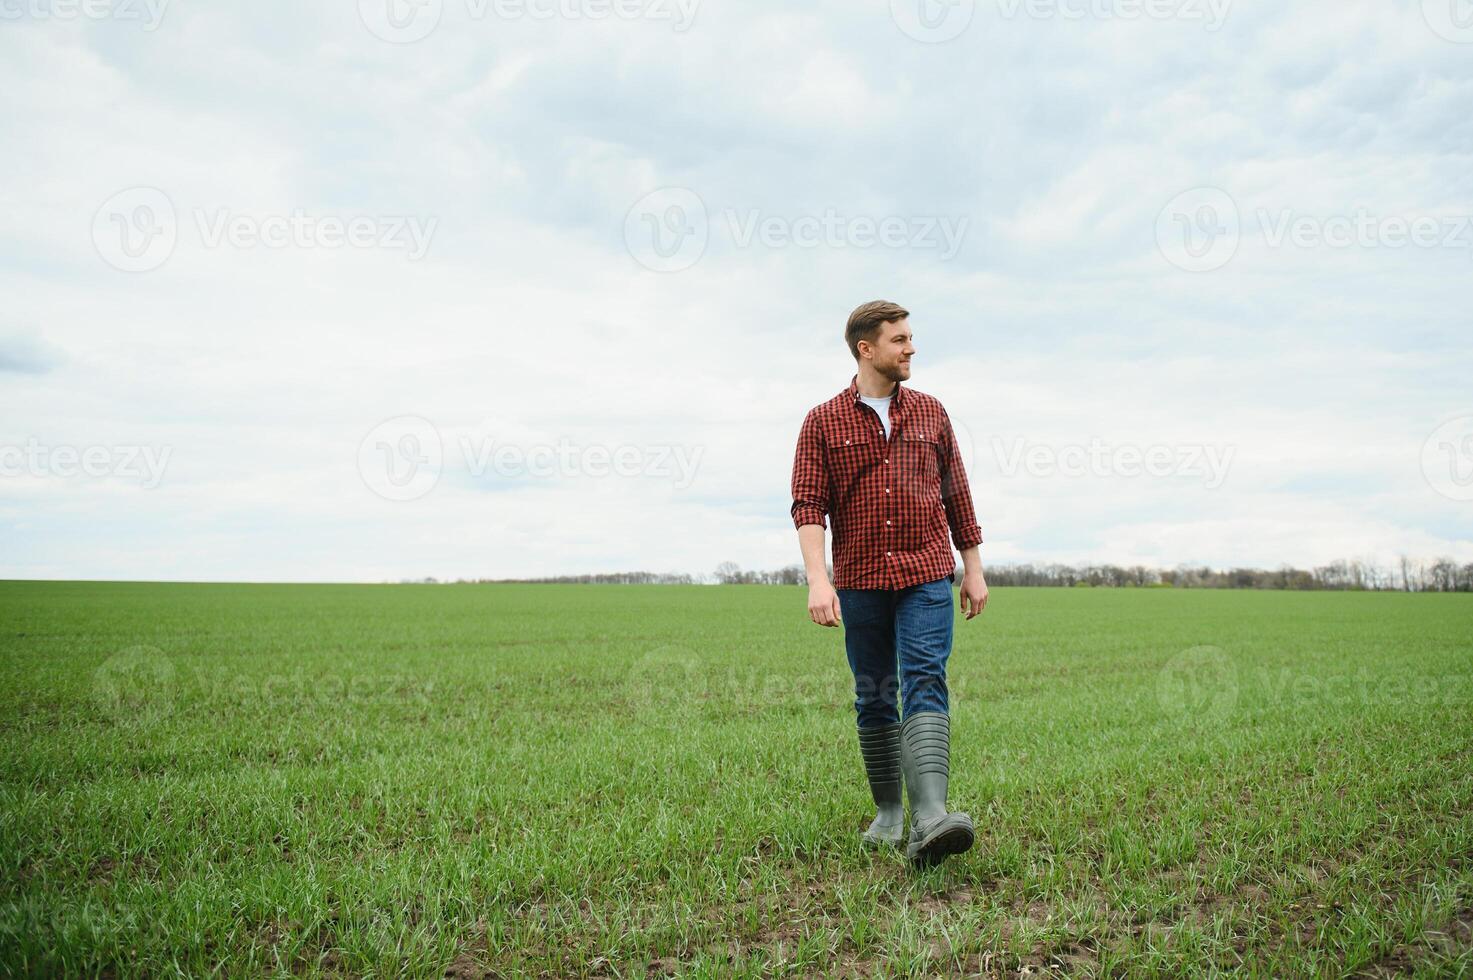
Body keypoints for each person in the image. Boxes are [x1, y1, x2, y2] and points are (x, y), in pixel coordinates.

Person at [789, 299, 989, 867]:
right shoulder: (822, 421)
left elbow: (957, 493)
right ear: (866, 348)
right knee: (874, 692)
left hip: (926, 571)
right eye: (899, 339)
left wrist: (971, 566)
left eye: (910, 337)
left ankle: (931, 816)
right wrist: (817, 580)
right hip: (860, 579)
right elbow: (809, 504)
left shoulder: (931, 412)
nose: (911, 348)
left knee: (925, 675)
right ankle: (890, 814)